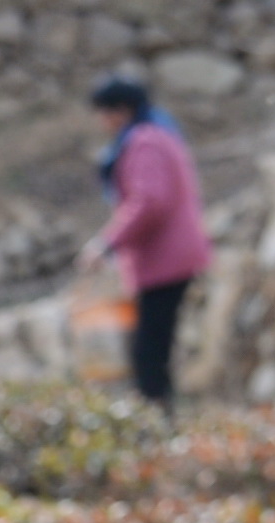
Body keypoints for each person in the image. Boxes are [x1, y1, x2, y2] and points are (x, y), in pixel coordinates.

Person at [78, 76, 209, 413]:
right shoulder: (156, 135)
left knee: (149, 350)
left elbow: (149, 202)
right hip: (170, 258)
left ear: (120, 111)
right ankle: (162, 412)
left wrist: (107, 243)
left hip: (166, 261)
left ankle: (157, 420)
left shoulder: (144, 142)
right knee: (154, 345)